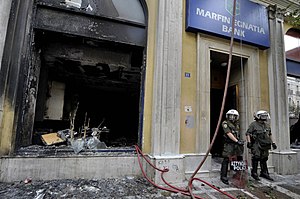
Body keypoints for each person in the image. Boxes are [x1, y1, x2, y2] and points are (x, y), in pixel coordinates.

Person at [246, 110, 277, 181]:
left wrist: (273, 143)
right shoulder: (253, 124)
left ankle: (264, 172)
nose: (264, 117)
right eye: (263, 116)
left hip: (265, 144)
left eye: (265, 116)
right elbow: (248, 133)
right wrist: (249, 142)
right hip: (257, 144)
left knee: (264, 158)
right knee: (256, 157)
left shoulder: (267, 125)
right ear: (258, 116)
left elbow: (270, 134)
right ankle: (254, 172)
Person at [220, 109, 244, 185]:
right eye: (230, 115)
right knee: (226, 159)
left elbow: (237, 133)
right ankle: (223, 176)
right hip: (229, 144)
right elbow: (228, 133)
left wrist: (239, 141)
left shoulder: (237, 124)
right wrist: (237, 141)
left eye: (234, 116)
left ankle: (237, 174)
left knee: (238, 158)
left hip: (236, 144)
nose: (232, 117)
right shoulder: (225, 123)